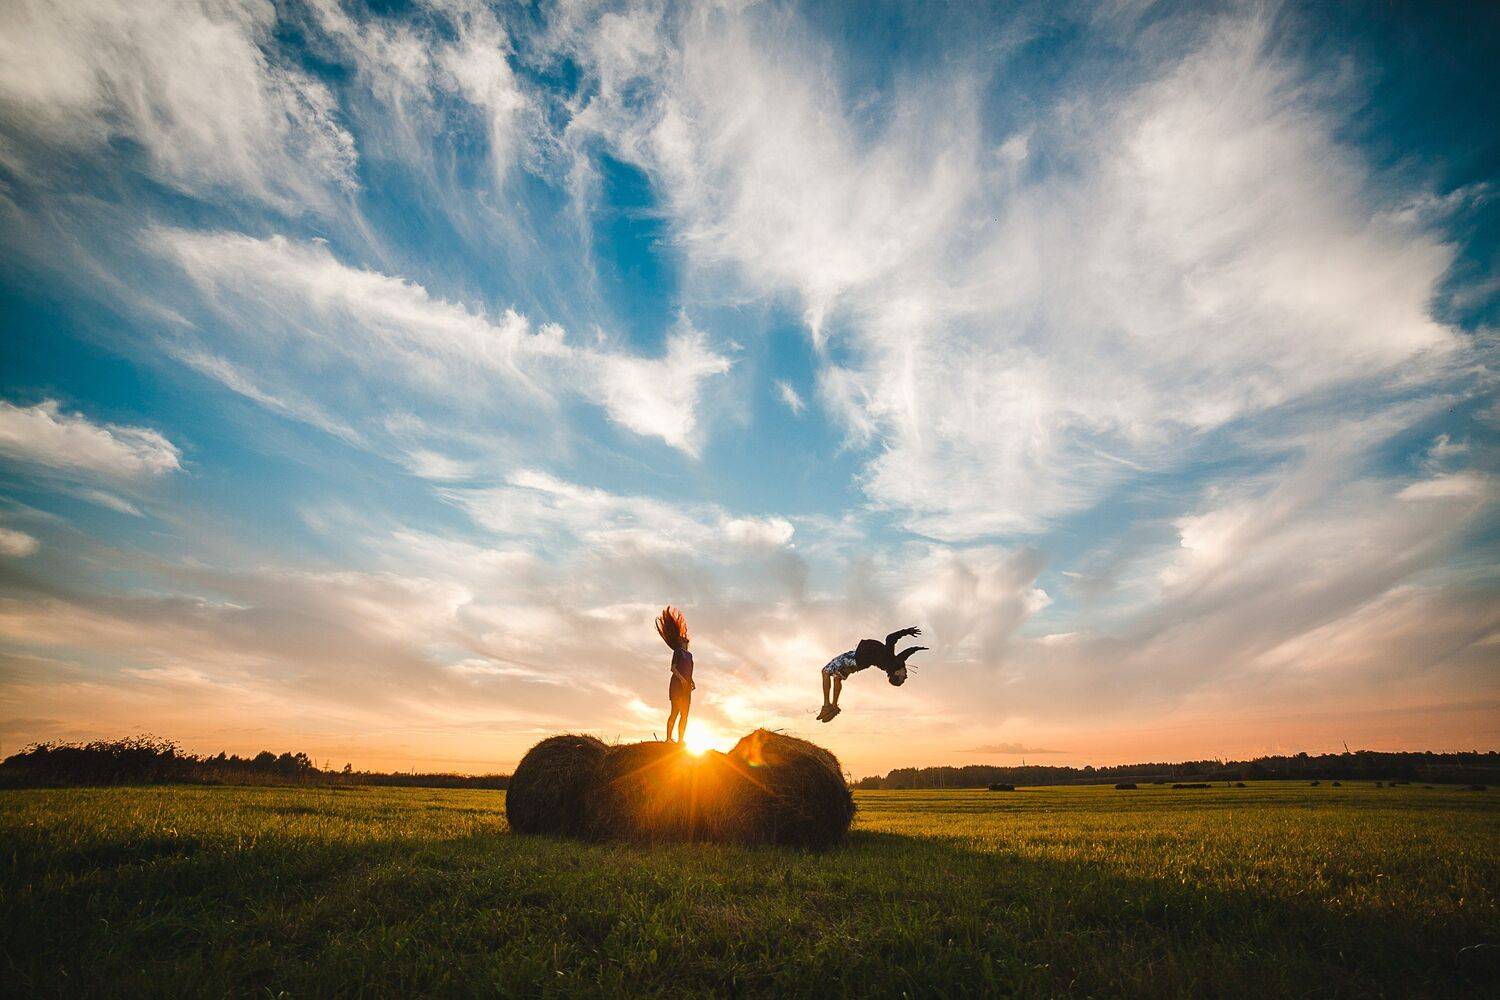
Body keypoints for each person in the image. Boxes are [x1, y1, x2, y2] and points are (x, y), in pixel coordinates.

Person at [817, 626, 927, 722]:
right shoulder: (895, 663)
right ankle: (834, 707)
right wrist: (916, 649)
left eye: (903, 678)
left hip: (855, 658)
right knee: (837, 677)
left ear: (897, 673)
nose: (906, 676)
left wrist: (906, 631)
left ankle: (827, 705)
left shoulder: (891, 661)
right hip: (859, 663)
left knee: (825, 672)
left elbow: (890, 639)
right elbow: (905, 654)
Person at [656, 606, 695, 743]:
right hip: (677, 685)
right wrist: (682, 679)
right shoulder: (678, 652)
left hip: (687, 687)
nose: (686, 640)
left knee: (685, 714)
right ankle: (668, 739)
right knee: (675, 712)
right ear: (680, 642)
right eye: (684, 639)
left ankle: (681, 740)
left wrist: (691, 681)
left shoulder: (690, 655)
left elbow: (689, 670)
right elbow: (673, 668)